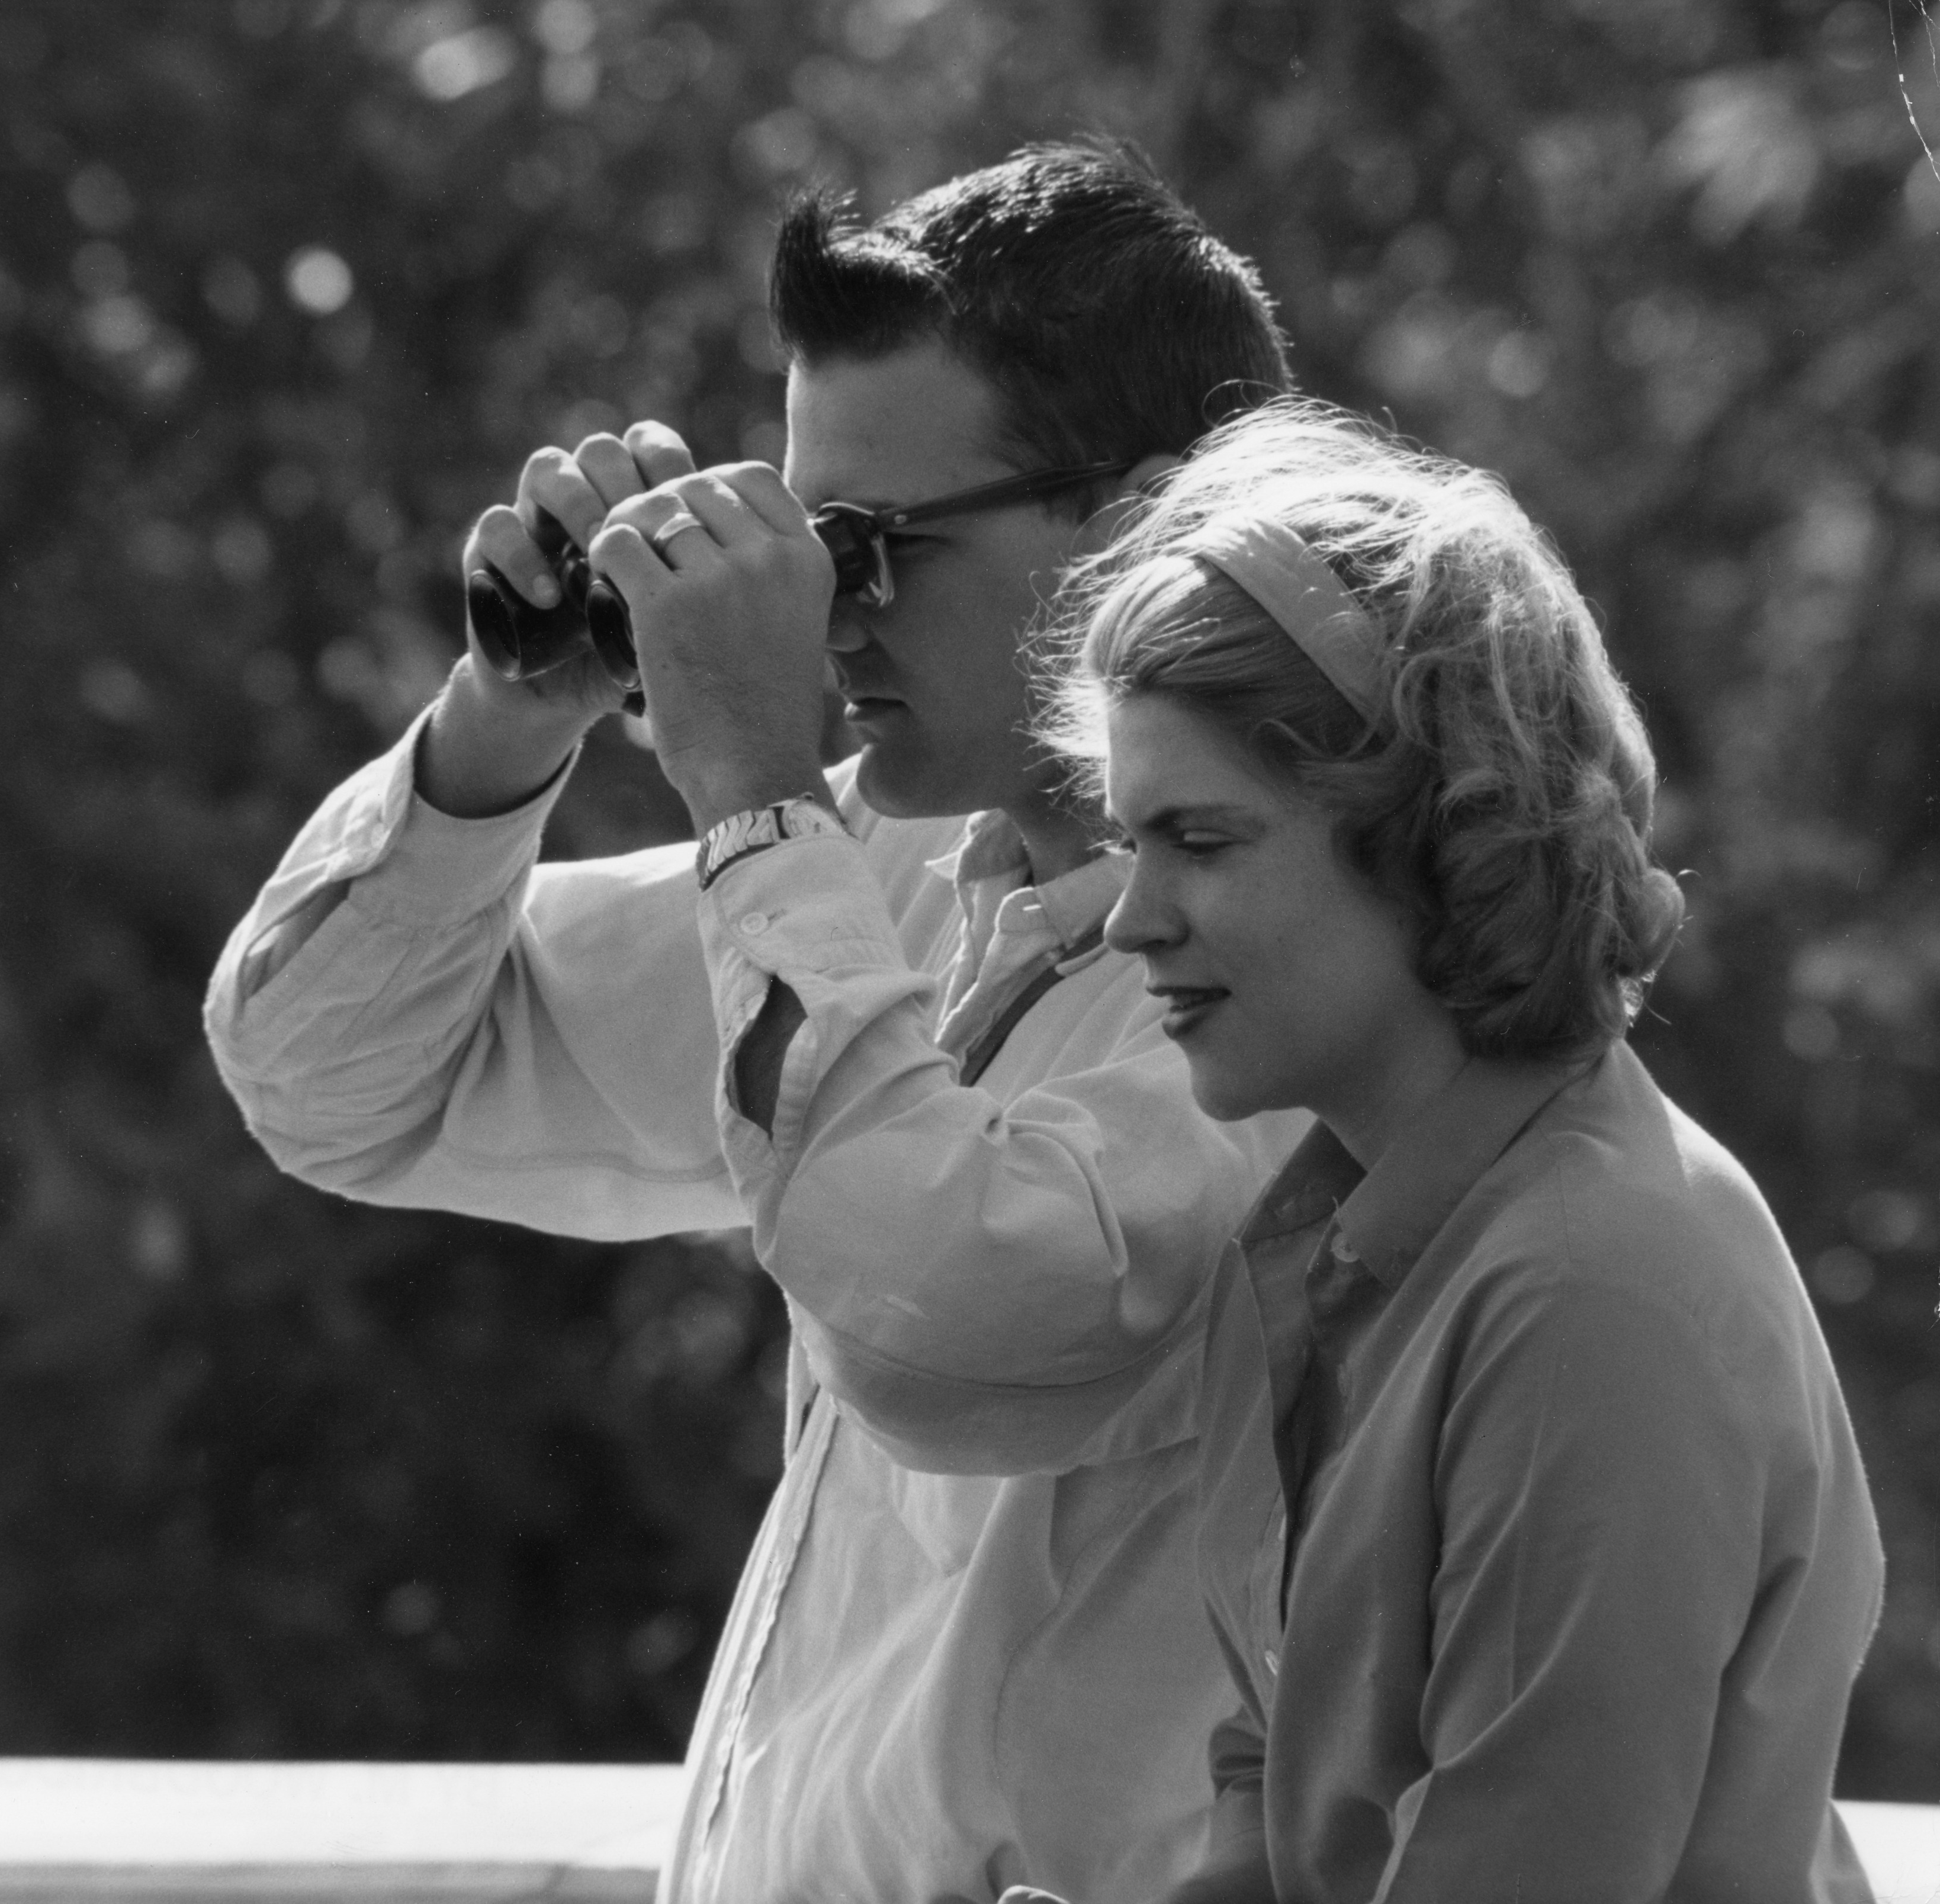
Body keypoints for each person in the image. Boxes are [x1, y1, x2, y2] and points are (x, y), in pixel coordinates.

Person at [204, 141, 1307, 1898]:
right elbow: (334, 1081)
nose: (821, 614)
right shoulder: (892, 867)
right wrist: (514, 715)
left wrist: (747, 793)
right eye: (800, 544)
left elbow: (956, 1318)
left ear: (1147, 523)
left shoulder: (1306, 967)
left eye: (864, 547)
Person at [1051, 399, 1884, 1902]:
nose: (1132, 918)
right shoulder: (1340, 1235)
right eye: (1127, 842)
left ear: (1430, 832)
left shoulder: (1587, 1286)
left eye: (1204, 840)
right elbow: (1282, 1790)